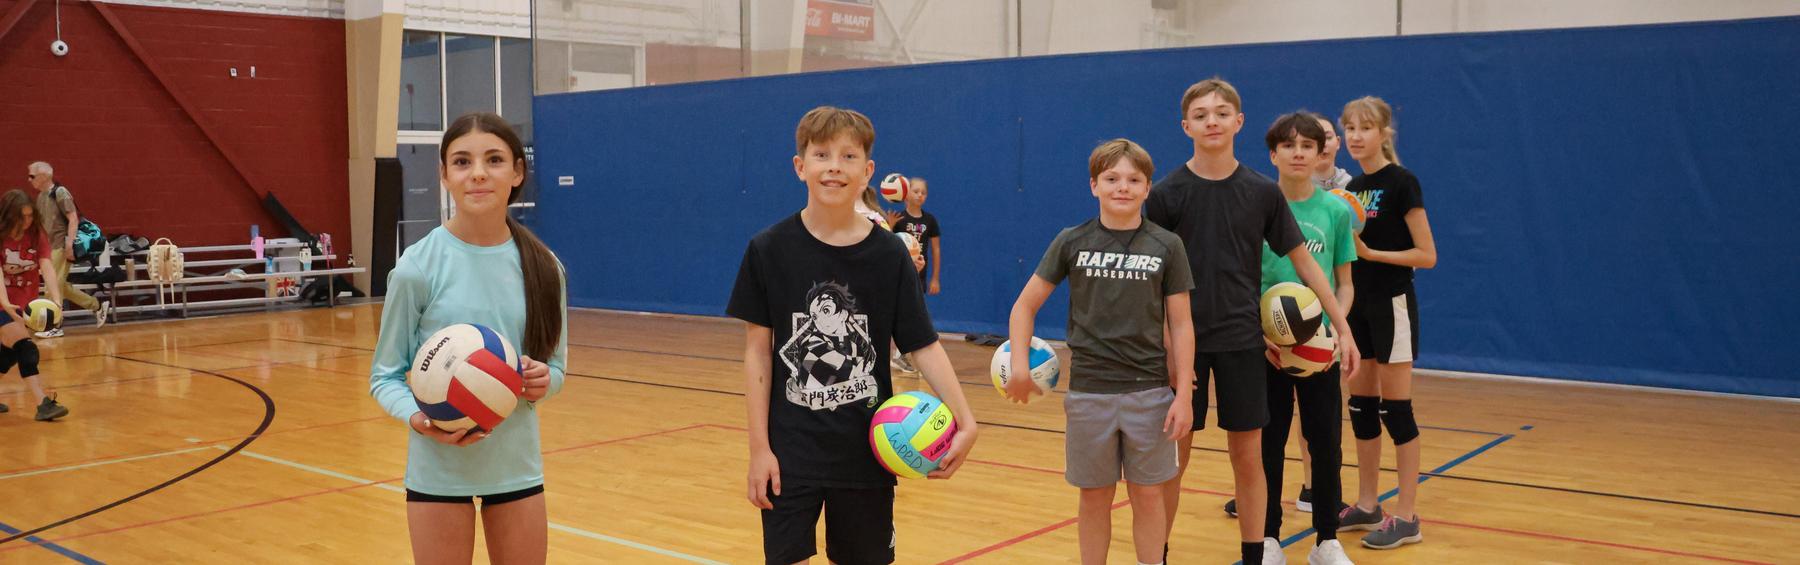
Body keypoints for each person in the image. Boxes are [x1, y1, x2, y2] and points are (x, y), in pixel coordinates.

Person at [727, 106, 979, 565]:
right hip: (789, 454)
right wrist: (759, 449)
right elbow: (758, 355)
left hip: (868, 454)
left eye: (848, 156)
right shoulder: (768, 250)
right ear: (800, 166)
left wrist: (967, 420)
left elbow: (922, 344)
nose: (834, 167)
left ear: (868, 171)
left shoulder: (889, 256)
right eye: (821, 154)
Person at [1145, 77, 1360, 565]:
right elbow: (1151, 283)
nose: (1212, 122)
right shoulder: (1166, 195)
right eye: (1201, 115)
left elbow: (1306, 264)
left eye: (1222, 113)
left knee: (1248, 457)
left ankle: (1257, 554)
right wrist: (1169, 349)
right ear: (1185, 126)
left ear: (1238, 121)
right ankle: (1157, 555)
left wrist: (1343, 328)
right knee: (1172, 461)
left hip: (1244, 342)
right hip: (1184, 347)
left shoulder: (1262, 192)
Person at [367, 112, 567, 564]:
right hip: (438, 473)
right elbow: (385, 376)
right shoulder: (417, 268)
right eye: (462, 161)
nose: (478, 173)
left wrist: (543, 380)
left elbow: (556, 369)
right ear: (444, 175)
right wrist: (421, 420)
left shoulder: (544, 268)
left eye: (494, 160)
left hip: (515, 470)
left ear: (517, 172)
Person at [1006, 139, 1194, 565]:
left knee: (1148, 495)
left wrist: (1183, 394)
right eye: (1111, 178)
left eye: (1133, 180)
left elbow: (1181, 324)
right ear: (1094, 185)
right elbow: (1024, 307)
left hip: (1150, 393)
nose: (1122, 187)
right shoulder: (1071, 241)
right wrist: (1019, 365)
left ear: (1147, 188)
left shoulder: (1167, 245)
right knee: (1094, 498)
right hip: (1089, 394)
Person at [1256, 113, 1358, 564]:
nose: (1298, 153)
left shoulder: (1334, 210)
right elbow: (1243, 278)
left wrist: (1334, 331)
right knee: (1269, 442)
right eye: (1288, 145)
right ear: (1273, 154)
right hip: (1267, 348)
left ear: (1320, 154)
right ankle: (1268, 538)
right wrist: (1260, 332)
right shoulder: (1257, 206)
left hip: (1319, 349)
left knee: (1325, 442)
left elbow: (1345, 283)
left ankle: (1326, 541)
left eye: (1307, 146)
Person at [1336, 96, 1437, 550]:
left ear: (1383, 133)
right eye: (1350, 128)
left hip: (1392, 303)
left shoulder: (1402, 182)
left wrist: (1372, 254)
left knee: (1396, 411)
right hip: (1357, 307)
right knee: (1361, 408)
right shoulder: (1351, 188)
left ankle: (1408, 515)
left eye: (1365, 128)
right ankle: (1367, 503)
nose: (1356, 136)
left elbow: (1427, 255)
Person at [0, 190, 69, 421]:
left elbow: (46, 265)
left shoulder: (36, 233)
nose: (27, 221)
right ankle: (43, 404)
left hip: (24, 302)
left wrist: (56, 299)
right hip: (1, 300)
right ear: (9, 215)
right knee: (26, 348)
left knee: (9, 353)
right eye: (22, 217)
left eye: (30, 216)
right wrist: (5, 303)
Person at [26, 162, 110, 335]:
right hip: (48, 248)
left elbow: (73, 219)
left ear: (44, 176)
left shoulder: (60, 193)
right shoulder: (41, 197)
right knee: (60, 286)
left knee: (52, 287)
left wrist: (69, 245)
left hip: (61, 246)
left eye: (32, 176)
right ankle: (96, 305)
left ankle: (53, 325)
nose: (29, 179)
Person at [888, 178, 941, 295]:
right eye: (916, 191)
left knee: (915, 304)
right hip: (899, 272)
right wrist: (890, 225)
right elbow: (887, 245)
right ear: (906, 194)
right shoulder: (897, 218)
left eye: (923, 193)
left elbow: (936, 249)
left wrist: (935, 278)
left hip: (919, 275)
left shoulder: (930, 220)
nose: (920, 195)